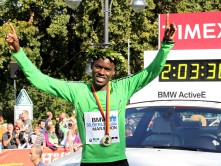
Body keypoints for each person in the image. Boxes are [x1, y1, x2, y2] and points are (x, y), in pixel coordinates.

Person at [6, 21, 177, 165]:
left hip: (118, 161)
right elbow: (42, 81)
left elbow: (151, 72)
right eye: (98, 67)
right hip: (89, 162)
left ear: (113, 72)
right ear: (92, 68)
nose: (102, 72)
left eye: (107, 69)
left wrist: (166, 46)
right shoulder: (79, 91)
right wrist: (18, 53)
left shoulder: (123, 87)